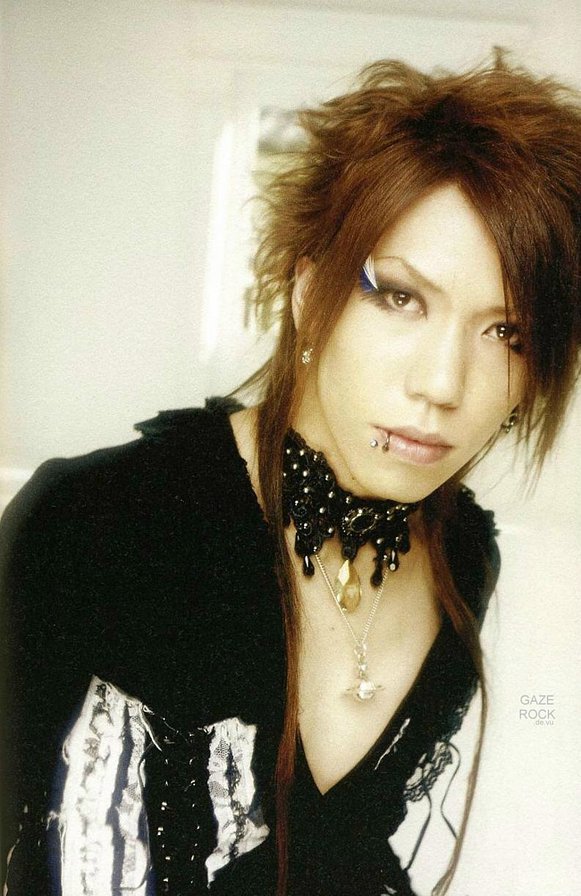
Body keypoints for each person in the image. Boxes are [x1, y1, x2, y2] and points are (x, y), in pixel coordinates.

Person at [1, 54, 581, 896]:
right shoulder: (94, 521)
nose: (442, 385)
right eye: (400, 298)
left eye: (507, 334)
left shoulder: (463, 556)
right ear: (310, 294)